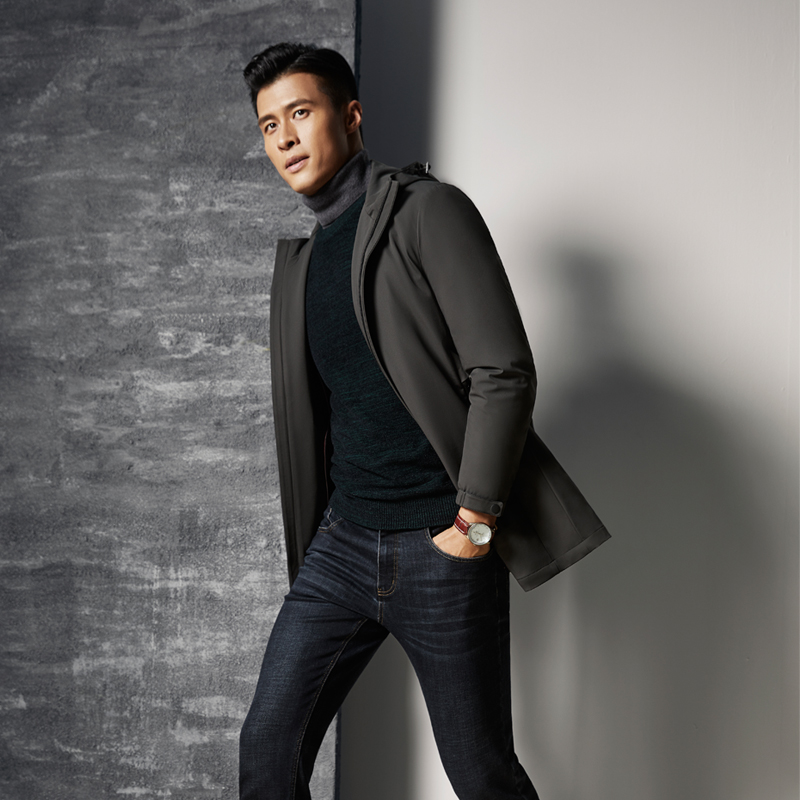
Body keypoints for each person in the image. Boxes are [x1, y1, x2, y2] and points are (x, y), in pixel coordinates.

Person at [238, 42, 609, 800]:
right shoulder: (304, 262)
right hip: (344, 545)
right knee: (268, 747)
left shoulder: (428, 211)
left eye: (300, 113)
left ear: (350, 116)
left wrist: (474, 524)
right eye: (270, 125)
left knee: (481, 773)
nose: (285, 138)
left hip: (442, 544)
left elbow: (502, 371)